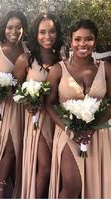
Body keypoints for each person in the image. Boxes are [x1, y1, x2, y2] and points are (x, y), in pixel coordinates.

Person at [45, 19, 111, 198]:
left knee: (93, 185)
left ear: (95, 41)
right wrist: (66, 127)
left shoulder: (106, 69)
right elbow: (49, 103)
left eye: (88, 39)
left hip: (98, 136)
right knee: (72, 185)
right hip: (68, 134)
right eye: (78, 39)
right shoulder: (58, 69)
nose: (83, 44)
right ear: (71, 42)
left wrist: (93, 126)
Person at [14, 13, 63, 198]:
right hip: (37, 120)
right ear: (36, 34)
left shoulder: (63, 58)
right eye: (42, 32)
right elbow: (16, 89)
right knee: (45, 166)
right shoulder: (25, 59)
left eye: (52, 31)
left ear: (57, 33)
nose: (47, 36)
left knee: (55, 165)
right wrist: (28, 102)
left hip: (57, 119)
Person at [0, 11, 28, 198]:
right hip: (3, 108)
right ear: (4, 28)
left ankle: (13, 187)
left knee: (18, 149)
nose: (14, 31)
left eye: (18, 27)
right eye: (10, 27)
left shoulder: (28, 51)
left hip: (22, 108)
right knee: (8, 148)